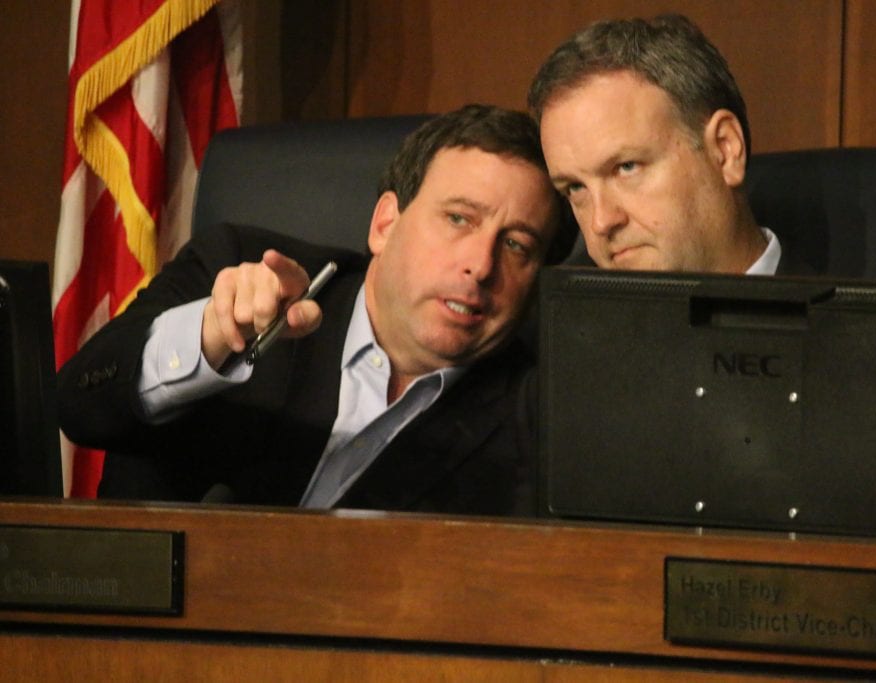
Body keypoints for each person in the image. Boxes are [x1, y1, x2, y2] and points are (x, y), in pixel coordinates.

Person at [57, 104, 575, 515]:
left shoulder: (539, 412)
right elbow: (79, 406)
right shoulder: (237, 268)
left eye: (516, 246)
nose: (481, 265)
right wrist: (210, 339)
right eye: (459, 218)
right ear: (385, 223)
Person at [527, 14, 814, 276]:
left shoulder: (846, 330)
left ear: (725, 150)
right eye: (575, 188)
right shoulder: (569, 330)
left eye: (626, 167)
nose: (600, 223)